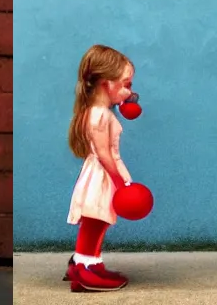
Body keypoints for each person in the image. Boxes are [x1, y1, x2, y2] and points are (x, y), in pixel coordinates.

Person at [66, 45, 138, 292]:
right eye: (126, 84)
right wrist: (120, 183)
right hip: (103, 175)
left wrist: (126, 103)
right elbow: (104, 154)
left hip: (106, 174)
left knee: (100, 219)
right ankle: (83, 267)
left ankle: (91, 262)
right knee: (94, 220)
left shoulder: (101, 112)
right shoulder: (98, 116)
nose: (130, 91)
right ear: (107, 85)